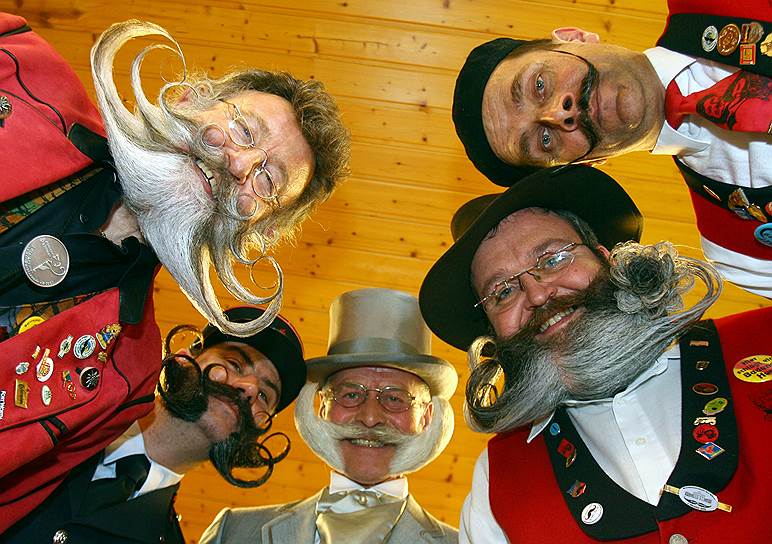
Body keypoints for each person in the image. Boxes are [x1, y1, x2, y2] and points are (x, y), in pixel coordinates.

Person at [0, 12, 349, 521]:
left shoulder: (125, 376)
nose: (239, 164)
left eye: (268, 181)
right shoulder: (21, 68)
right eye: (242, 128)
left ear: (257, 231)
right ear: (187, 100)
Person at [419, 165, 772, 542]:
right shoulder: (497, 482)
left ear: (608, 259)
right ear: (493, 333)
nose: (537, 294)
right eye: (503, 292)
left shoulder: (761, 338)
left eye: (553, 259)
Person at [451, 0, 771, 298]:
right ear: (584, 164)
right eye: (544, 140)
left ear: (573, 38)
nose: (558, 114)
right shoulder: (739, 252)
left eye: (539, 85)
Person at [2, 306, 307, 541]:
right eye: (235, 363)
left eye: (265, 395)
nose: (250, 388)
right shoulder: (53, 418)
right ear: (182, 358)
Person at [200, 288, 460, 543]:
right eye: (351, 395)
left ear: (426, 417)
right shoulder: (233, 532)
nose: (370, 418)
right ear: (323, 409)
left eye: (394, 398)